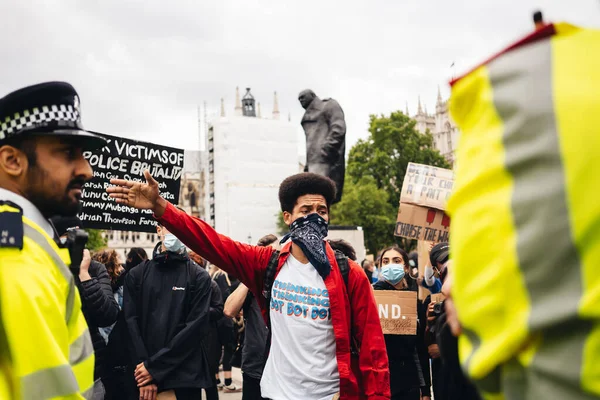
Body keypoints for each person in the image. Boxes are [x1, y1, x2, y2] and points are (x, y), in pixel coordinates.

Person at [107, 171, 390, 399]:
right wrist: (161, 207)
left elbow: (373, 348)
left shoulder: (349, 273)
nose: (315, 216)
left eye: (322, 210)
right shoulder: (265, 263)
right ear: (287, 217)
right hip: (275, 393)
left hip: (331, 394)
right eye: (306, 209)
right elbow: (212, 242)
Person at [0, 81, 106, 398]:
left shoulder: (28, 240)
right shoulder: (14, 256)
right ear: (12, 161)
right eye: (67, 153)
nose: (87, 170)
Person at [123, 217, 213, 400]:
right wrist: (146, 372)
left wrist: (153, 369)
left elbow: (194, 330)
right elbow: (130, 323)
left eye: (182, 229)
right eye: (172, 227)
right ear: (159, 230)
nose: (177, 233)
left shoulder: (199, 277)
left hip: (183, 379)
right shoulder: (137, 275)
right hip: (145, 379)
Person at [51, 217, 120, 399]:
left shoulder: (94, 269)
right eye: (67, 239)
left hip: (90, 373)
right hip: (54, 369)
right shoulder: (46, 267)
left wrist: (84, 275)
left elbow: (108, 314)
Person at [224, 234, 279, 400]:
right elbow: (228, 310)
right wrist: (250, 276)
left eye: (276, 254)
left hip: (282, 370)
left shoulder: (289, 283)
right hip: (255, 367)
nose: (272, 260)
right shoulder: (253, 285)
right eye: (267, 256)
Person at [372, 246, 425, 400]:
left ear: (406, 267)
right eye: (386, 261)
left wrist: (425, 389)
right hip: (381, 379)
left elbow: (419, 348)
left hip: (409, 382)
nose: (391, 265)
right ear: (380, 267)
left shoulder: (413, 299)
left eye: (396, 261)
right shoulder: (371, 295)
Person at [101, 247, 148, 400]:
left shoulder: (115, 283)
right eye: (118, 265)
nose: (121, 268)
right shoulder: (127, 283)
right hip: (120, 347)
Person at [299, 89, 347, 203]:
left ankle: (321, 220)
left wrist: (326, 149)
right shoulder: (307, 115)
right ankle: (319, 220)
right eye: (299, 99)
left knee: (320, 196)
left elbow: (339, 128)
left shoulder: (329, 105)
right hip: (312, 161)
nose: (301, 100)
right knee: (314, 198)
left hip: (325, 160)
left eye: (303, 97)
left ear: (312, 95)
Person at [209, 264, 241, 392]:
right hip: (226, 320)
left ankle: (217, 381)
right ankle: (228, 382)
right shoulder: (227, 276)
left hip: (215, 320)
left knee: (216, 350)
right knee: (229, 349)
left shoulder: (213, 276)